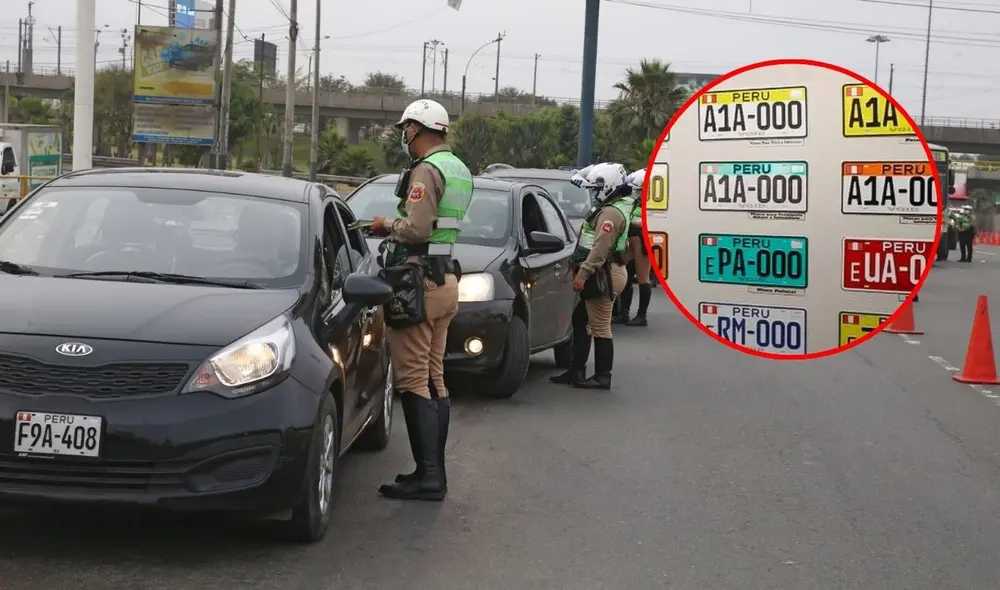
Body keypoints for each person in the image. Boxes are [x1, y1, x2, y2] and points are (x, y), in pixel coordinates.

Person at [369, 98, 473, 501]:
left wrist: (384, 224)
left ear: (416, 129)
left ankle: (429, 476)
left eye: (405, 129)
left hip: (419, 282)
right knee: (434, 377)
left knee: (413, 381)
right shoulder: (459, 168)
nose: (403, 137)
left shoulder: (426, 170)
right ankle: (432, 473)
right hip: (445, 279)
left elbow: (415, 228)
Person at [549, 162, 634, 390]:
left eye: (596, 188)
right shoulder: (609, 209)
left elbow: (599, 249)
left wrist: (583, 274)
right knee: (581, 320)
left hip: (602, 273)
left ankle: (602, 376)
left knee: (600, 325)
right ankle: (577, 370)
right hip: (602, 271)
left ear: (608, 186)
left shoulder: (609, 214)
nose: (594, 193)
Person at [612, 169, 652, 327]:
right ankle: (623, 312)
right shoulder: (635, 203)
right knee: (626, 277)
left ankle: (642, 315)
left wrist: (629, 220)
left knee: (643, 278)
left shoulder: (652, 205)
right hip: (630, 240)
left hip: (642, 240)